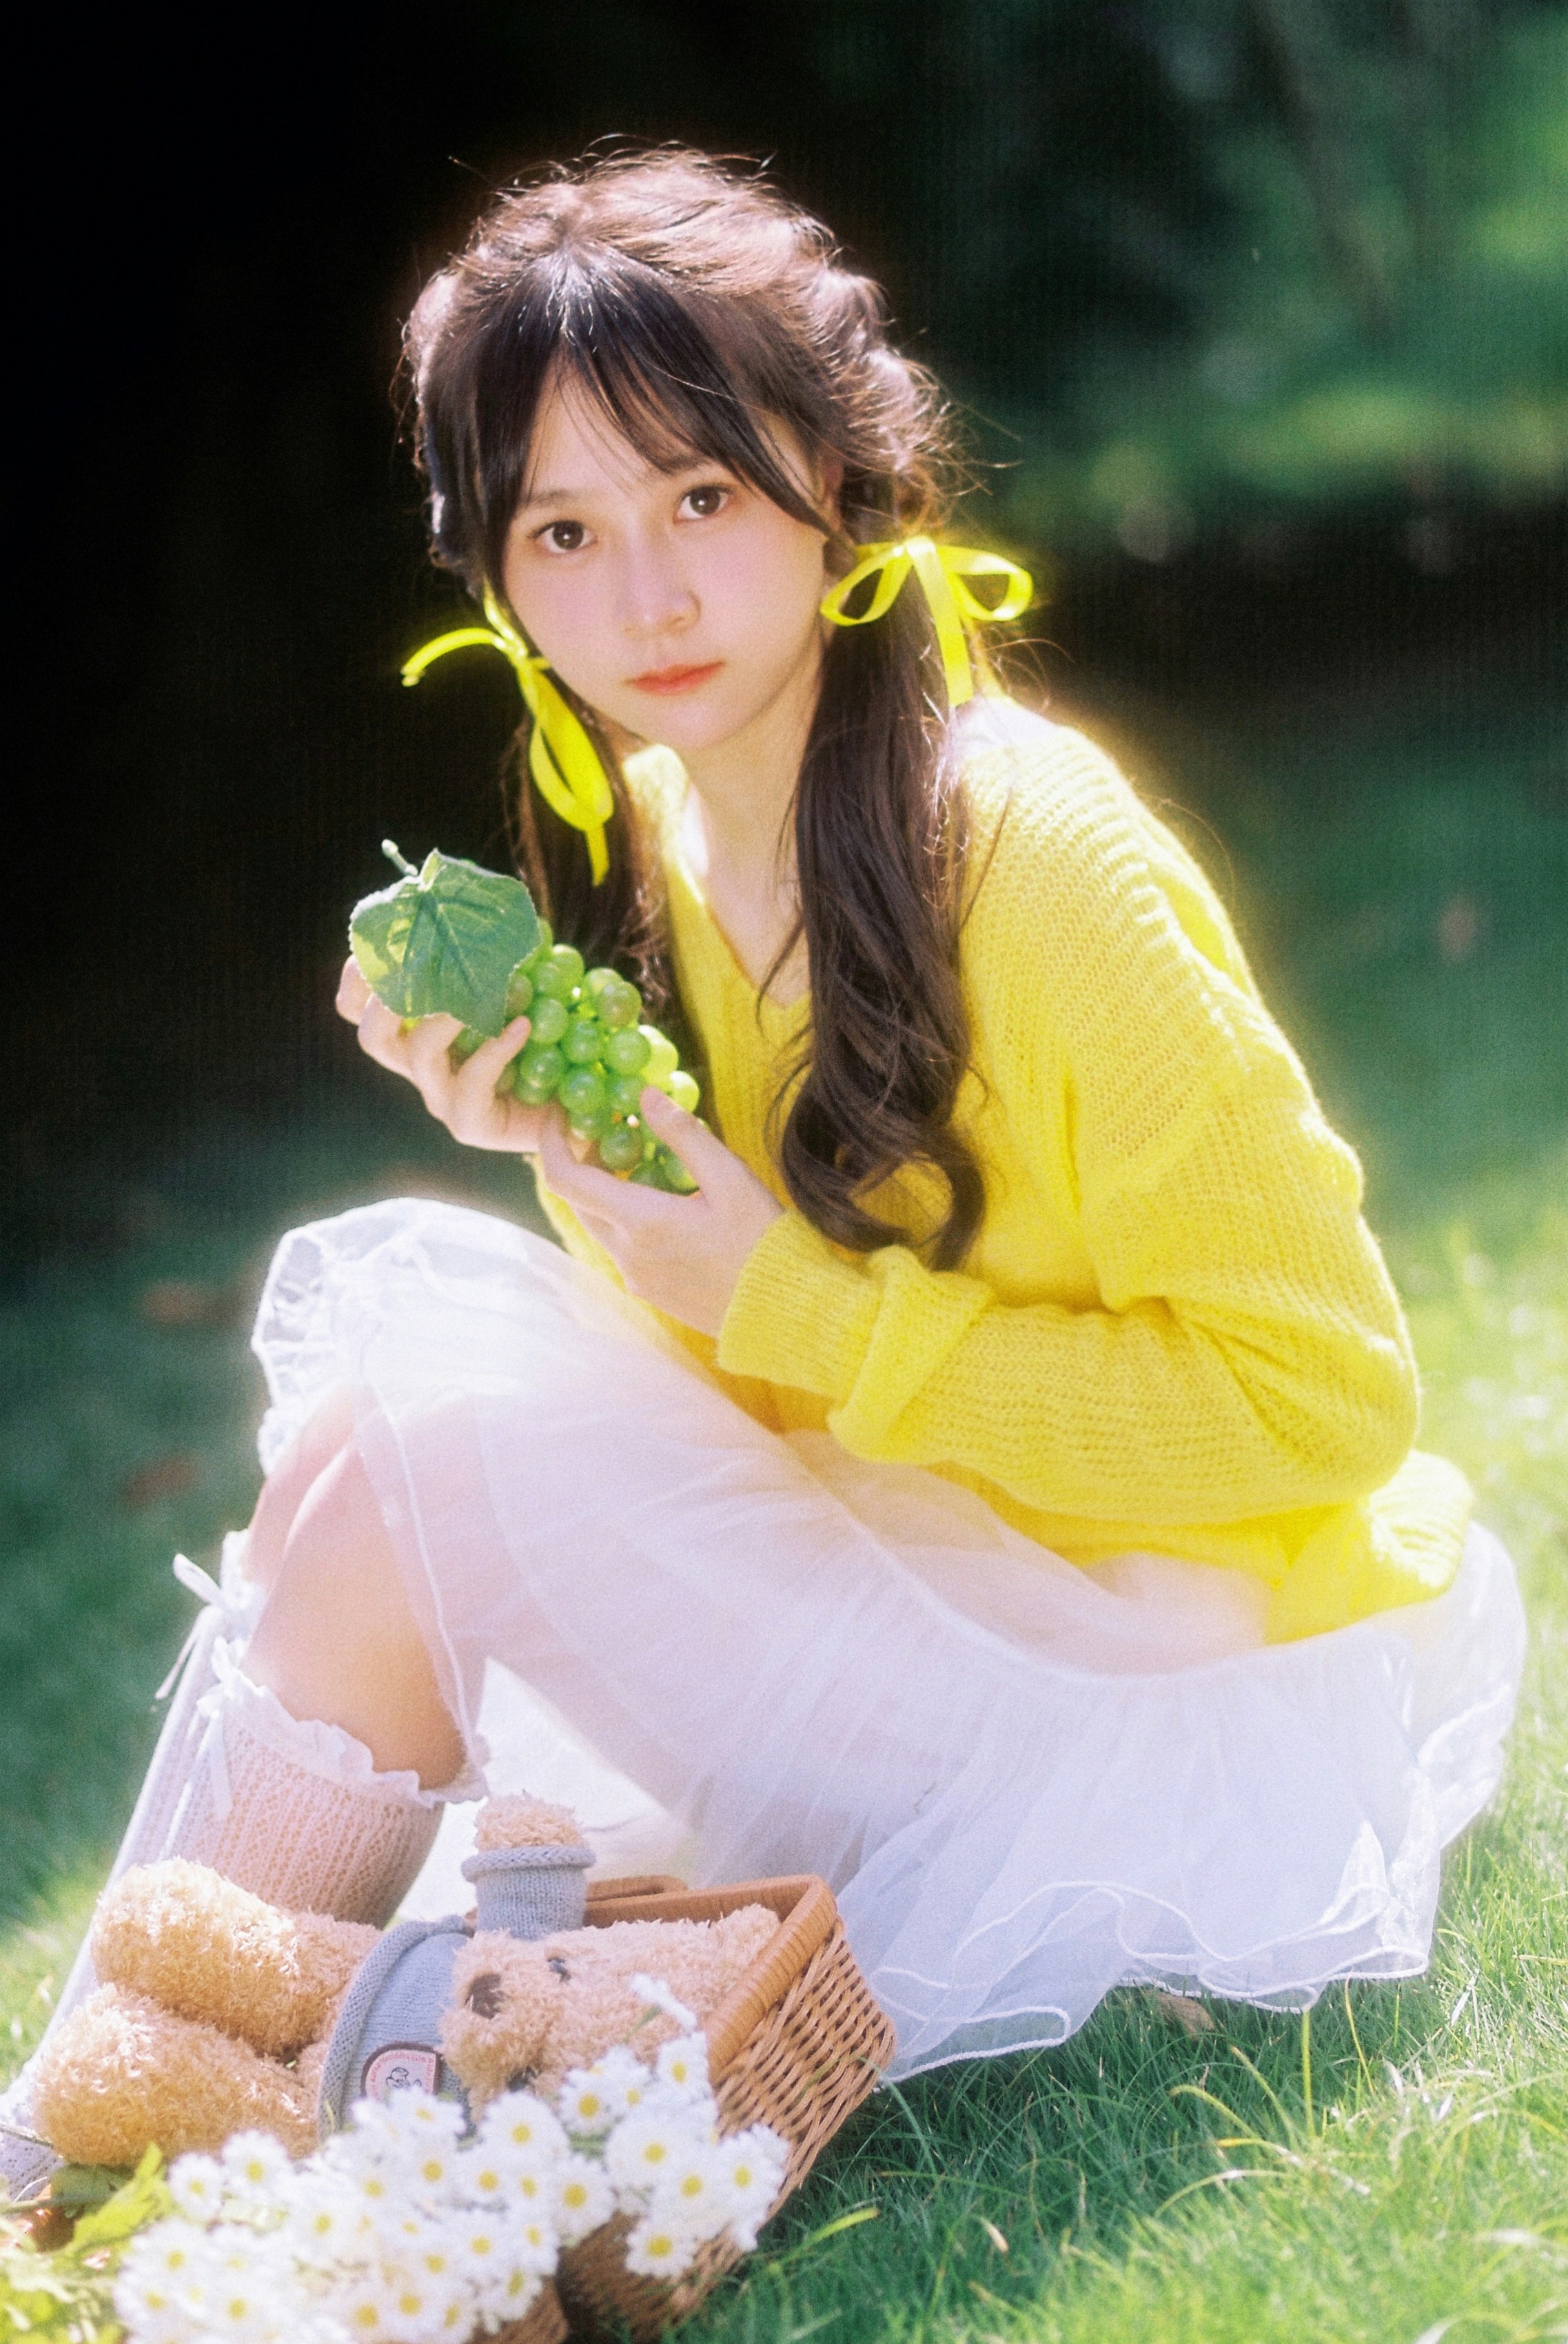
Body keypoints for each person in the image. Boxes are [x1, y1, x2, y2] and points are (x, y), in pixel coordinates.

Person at [1, 151, 1524, 2190]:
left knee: (422, 1445)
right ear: (496, 577)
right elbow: (730, 1390)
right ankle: (129, 2098)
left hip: (1174, 1690)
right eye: (567, 527)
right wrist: (553, 1137)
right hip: (934, 1599)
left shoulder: (1034, 856)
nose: (646, 596)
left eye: (702, 498)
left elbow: (1326, 1401)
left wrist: (798, 1302)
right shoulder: (660, 822)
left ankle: (89, 2123)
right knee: (386, 1434)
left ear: (839, 478)